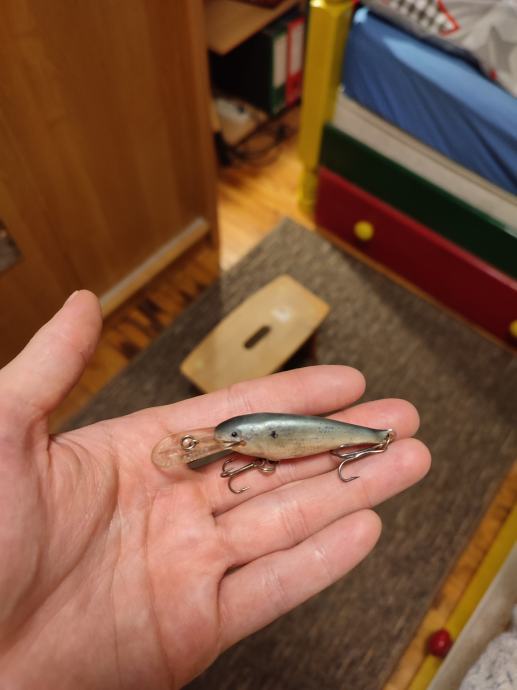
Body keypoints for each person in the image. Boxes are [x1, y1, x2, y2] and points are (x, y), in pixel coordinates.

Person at [0, 290, 430, 689]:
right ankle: (377, 438)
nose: (231, 445)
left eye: (236, 441)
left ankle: (377, 437)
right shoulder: (237, 441)